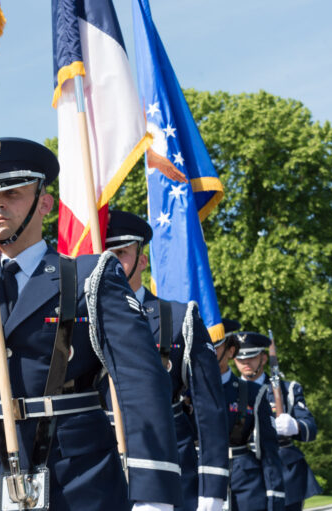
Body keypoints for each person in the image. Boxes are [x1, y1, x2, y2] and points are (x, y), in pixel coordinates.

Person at [0, 137, 182, 511]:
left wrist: (153, 492)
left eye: (13, 193)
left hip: (75, 475)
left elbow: (140, 380)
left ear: (44, 204)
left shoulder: (90, 277)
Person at [104, 210, 229, 511]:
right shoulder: (81, 319)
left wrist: (212, 488)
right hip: (100, 465)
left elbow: (209, 409)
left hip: (171, 461)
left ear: (142, 260)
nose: (111, 263)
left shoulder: (177, 318)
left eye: (121, 253)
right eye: (104, 254)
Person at [234, 332, 322, 511]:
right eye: (240, 359)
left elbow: (311, 428)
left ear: (263, 358)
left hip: (284, 472)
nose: (245, 363)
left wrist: (294, 426)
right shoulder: (230, 391)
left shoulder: (288, 390)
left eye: (251, 357)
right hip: (246, 472)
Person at [213, 331, 285, 511]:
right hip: (202, 479)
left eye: (216, 347)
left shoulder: (253, 392)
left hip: (245, 482)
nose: (209, 352)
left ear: (230, 352)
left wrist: (274, 496)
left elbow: (268, 450)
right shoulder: (187, 390)